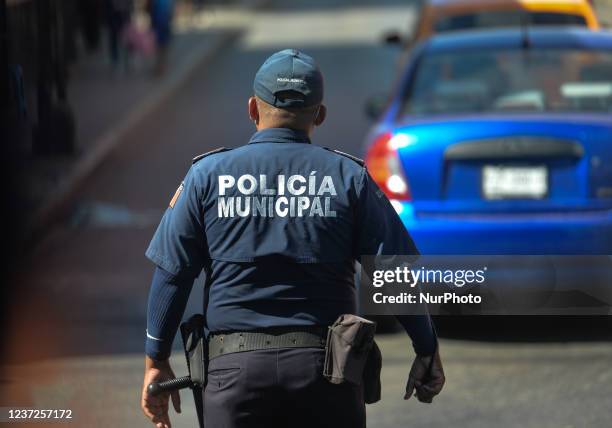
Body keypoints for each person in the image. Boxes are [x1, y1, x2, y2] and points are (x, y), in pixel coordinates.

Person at [140, 49, 445, 428]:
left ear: (253, 108)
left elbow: (173, 274)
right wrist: (426, 348)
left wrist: (156, 360)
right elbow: (393, 272)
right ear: (319, 115)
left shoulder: (207, 176)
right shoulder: (349, 178)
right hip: (326, 379)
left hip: (233, 379)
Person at [146, 0, 174, 75]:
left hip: (160, 26)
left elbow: (149, 10)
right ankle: (161, 67)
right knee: (162, 48)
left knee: (160, 48)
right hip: (164, 25)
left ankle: (160, 68)